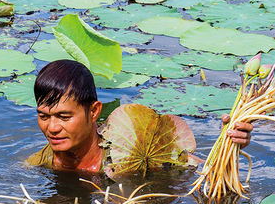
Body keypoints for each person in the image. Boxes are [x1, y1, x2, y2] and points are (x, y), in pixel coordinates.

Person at [26, 59, 253, 173]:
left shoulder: (133, 149)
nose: (52, 128)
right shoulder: (44, 161)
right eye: (44, 116)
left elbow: (202, 172)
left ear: (94, 111)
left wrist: (229, 148)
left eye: (64, 117)